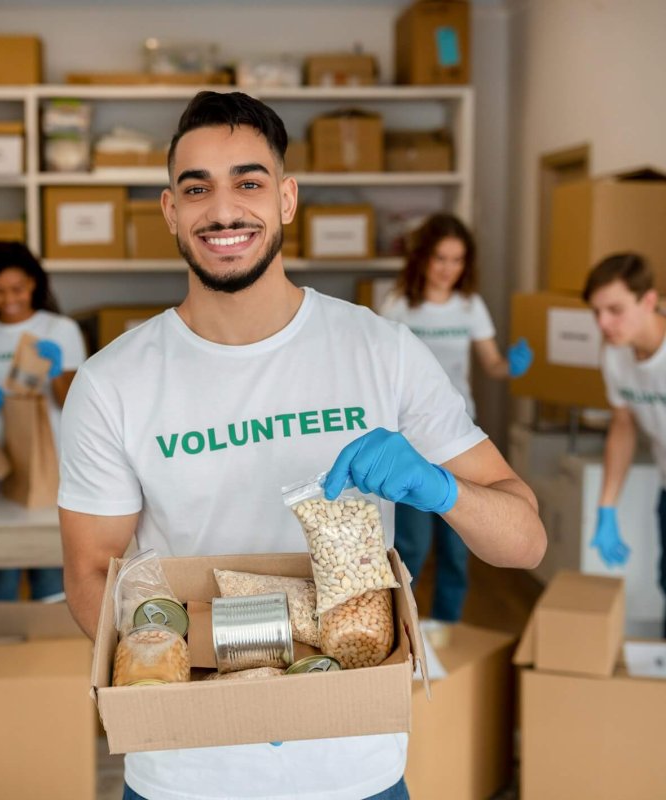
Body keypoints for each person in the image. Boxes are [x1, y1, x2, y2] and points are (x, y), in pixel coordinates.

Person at [58, 91, 546, 800]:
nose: (223, 210)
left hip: (354, 767)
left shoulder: (384, 353)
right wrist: (244, 676)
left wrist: (442, 490)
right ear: (170, 211)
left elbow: (525, 542)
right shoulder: (112, 383)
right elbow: (90, 578)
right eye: (197, 189)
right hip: (188, 771)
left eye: (249, 183)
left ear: (286, 198)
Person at [378, 213, 533, 622]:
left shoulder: (470, 306)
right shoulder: (398, 305)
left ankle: (447, 633)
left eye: (458, 260)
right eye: (441, 258)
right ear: (424, 258)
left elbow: (492, 364)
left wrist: (510, 367)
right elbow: (381, 374)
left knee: (456, 550)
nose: (448, 269)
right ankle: (402, 632)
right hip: (409, 441)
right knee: (409, 547)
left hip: (459, 441)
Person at [0, 240, 86, 601]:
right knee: (2, 571)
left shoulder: (60, 330)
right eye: (0, 291)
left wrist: (56, 372)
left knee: (50, 573)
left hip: (48, 466)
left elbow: (74, 404)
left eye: (18, 288)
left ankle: (49, 651)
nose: (11, 299)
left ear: (34, 284)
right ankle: (1, 650)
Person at [583, 252, 666, 635]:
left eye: (615, 310)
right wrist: (607, 507)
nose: (603, 323)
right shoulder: (615, 355)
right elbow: (623, 423)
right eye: (597, 312)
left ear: (648, 300)